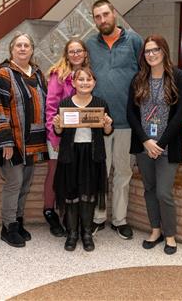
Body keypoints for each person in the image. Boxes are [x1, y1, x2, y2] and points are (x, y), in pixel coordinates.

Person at [127, 35, 182, 255]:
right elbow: (131, 113)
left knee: (164, 192)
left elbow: (180, 114)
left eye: (155, 50)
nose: (151, 55)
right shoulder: (138, 79)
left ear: (164, 51)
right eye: (147, 51)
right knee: (149, 189)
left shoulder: (178, 77)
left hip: (167, 145)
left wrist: (159, 144)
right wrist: (145, 140)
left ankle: (170, 235)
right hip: (144, 144)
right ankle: (155, 230)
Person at [86, 0, 143, 240]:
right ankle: (98, 217)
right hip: (97, 122)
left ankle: (119, 220)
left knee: (122, 172)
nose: (102, 20)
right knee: (99, 171)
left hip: (126, 121)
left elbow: (146, 72)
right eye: (97, 17)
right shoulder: (90, 43)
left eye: (105, 15)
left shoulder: (134, 41)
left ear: (115, 14)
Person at [0, 32, 48, 248]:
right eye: (18, 45)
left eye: (26, 45)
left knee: (25, 183)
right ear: (12, 50)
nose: (22, 49)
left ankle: (18, 221)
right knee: (13, 184)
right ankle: (8, 227)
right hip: (13, 143)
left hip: (34, 141)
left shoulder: (38, 74)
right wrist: (5, 142)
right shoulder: (3, 75)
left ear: (32, 50)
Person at [52, 67, 113, 252]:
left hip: (92, 154)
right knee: (71, 195)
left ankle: (86, 233)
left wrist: (108, 125)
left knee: (88, 195)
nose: (85, 82)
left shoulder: (100, 103)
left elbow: (107, 132)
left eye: (89, 79)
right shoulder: (65, 104)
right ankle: (72, 233)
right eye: (81, 79)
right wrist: (58, 126)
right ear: (73, 82)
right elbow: (59, 132)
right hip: (70, 155)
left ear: (94, 83)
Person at [43, 39, 90, 237]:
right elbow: (51, 107)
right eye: (72, 51)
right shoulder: (58, 74)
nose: (76, 54)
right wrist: (54, 135)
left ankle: (68, 215)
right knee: (55, 173)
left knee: (72, 176)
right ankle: (49, 211)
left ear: (85, 53)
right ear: (66, 54)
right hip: (59, 135)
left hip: (80, 137)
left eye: (79, 50)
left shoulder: (88, 75)